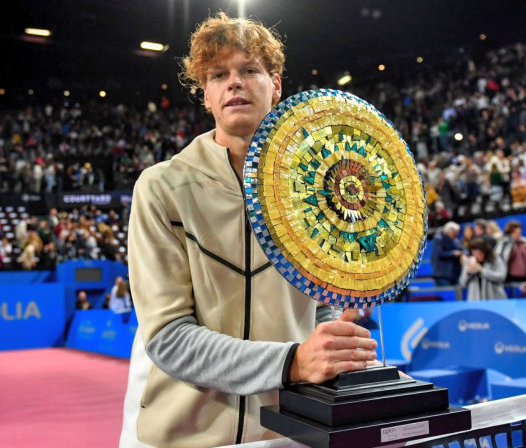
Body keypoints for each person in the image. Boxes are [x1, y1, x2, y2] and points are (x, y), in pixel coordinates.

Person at [120, 13, 376, 447]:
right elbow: (168, 338)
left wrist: (332, 343)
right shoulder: (162, 187)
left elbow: (315, 310)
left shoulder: (317, 191)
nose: (234, 83)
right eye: (219, 74)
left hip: (290, 431)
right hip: (185, 436)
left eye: (250, 70)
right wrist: (293, 362)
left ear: (276, 84)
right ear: (206, 94)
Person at [431, 222, 464, 286]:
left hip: (454, 273)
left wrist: (463, 254)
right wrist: (453, 253)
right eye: (455, 233)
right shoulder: (439, 238)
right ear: (449, 232)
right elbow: (439, 254)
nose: (457, 235)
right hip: (442, 274)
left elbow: (462, 249)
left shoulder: (454, 240)